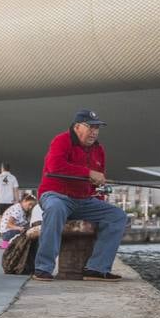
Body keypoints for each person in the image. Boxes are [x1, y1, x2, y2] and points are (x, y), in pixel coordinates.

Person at [32, 110, 128, 283]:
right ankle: (43, 268)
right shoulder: (61, 140)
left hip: (84, 200)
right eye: (90, 127)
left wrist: (98, 190)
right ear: (77, 127)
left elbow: (96, 183)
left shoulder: (99, 150)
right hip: (56, 195)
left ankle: (97, 268)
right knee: (55, 208)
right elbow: (55, 167)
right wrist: (89, 173)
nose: (94, 132)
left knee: (117, 216)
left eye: (97, 128)